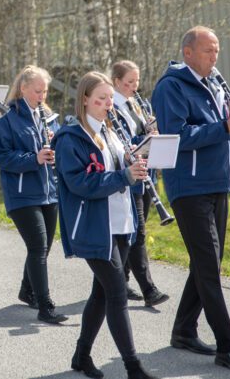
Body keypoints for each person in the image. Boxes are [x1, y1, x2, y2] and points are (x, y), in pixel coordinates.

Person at [151, 25, 230, 371]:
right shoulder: (171, 87)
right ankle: (228, 348)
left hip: (217, 183)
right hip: (189, 187)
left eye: (217, 51)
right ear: (188, 52)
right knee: (209, 269)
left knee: (207, 264)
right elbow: (175, 136)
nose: (215, 57)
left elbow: (227, 140)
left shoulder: (213, 84)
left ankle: (184, 329)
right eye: (208, 51)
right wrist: (223, 127)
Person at [55, 71, 156, 379]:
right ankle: (133, 367)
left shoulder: (112, 132)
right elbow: (81, 184)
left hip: (121, 222)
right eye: (100, 99)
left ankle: (81, 355)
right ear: (84, 100)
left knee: (101, 293)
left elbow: (118, 170)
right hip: (93, 226)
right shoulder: (70, 138)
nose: (107, 104)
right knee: (116, 293)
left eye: (110, 98)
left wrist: (134, 162)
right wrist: (123, 176)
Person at [0, 65, 67, 324]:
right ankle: (45, 305)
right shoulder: (6, 117)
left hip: (49, 191)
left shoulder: (48, 116)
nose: (42, 95)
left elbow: (57, 151)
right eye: (37, 91)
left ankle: (27, 290)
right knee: (37, 247)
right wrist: (34, 158)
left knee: (42, 249)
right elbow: (1, 157)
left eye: (45, 91)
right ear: (22, 88)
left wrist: (57, 145)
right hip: (22, 194)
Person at [110, 60, 169, 308]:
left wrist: (154, 129)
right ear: (115, 82)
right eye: (128, 82)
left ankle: (119, 284)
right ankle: (149, 289)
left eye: (136, 82)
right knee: (138, 232)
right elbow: (123, 141)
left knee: (131, 233)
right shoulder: (111, 106)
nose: (134, 87)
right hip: (129, 174)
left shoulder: (135, 103)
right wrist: (145, 137)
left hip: (146, 172)